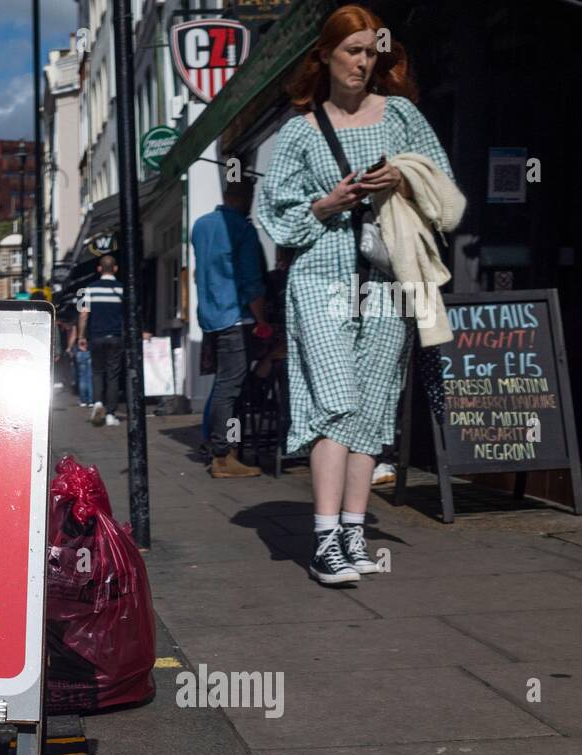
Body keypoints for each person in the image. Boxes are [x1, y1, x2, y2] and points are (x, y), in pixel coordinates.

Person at [256, 3, 454, 585]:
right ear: (325, 54)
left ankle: (351, 532)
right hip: (321, 277)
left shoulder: (401, 117)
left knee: (370, 405)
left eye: (372, 53)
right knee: (335, 398)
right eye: (352, 51)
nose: (363, 63)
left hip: (387, 277)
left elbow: (442, 186)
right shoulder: (298, 130)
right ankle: (322, 541)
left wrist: (405, 177)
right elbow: (273, 212)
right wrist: (326, 204)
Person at [191, 178, 268, 478]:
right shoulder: (243, 229)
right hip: (235, 316)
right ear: (246, 198)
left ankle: (225, 448)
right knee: (230, 386)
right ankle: (223, 454)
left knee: (224, 384)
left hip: (211, 316)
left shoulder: (201, 226)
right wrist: (262, 319)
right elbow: (250, 279)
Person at [76, 255, 125, 427]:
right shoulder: (122, 289)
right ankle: (111, 414)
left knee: (97, 372)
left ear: (99, 269)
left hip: (95, 337)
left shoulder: (86, 289)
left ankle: (97, 402)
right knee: (113, 375)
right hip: (116, 337)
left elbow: (82, 314)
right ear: (115, 269)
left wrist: (81, 336)